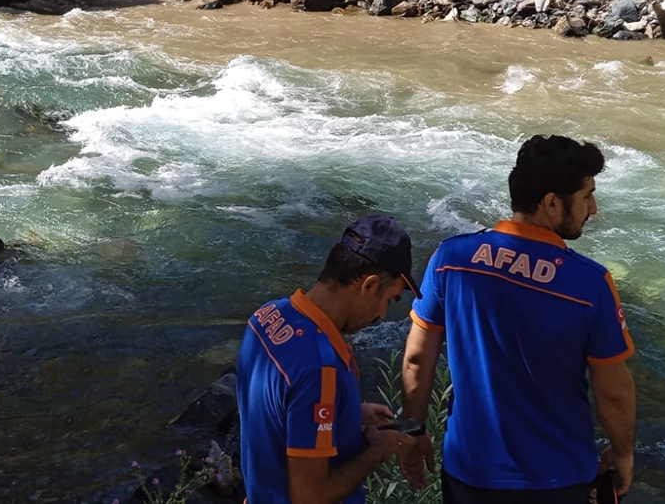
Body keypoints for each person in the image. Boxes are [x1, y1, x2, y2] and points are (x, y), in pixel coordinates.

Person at [398, 135, 637, 504]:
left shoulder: (450, 259)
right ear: (552, 203)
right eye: (587, 195)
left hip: (468, 477)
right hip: (558, 481)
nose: (593, 208)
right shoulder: (590, 284)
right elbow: (614, 394)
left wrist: (413, 432)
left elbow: (417, 359)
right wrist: (623, 453)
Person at [237, 214, 423, 504]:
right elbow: (309, 497)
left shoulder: (268, 316)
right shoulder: (322, 368)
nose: (382, 315)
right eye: (388, 300)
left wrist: (348, 413)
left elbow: (279, 411)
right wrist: (381, 449)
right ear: (369, 285)